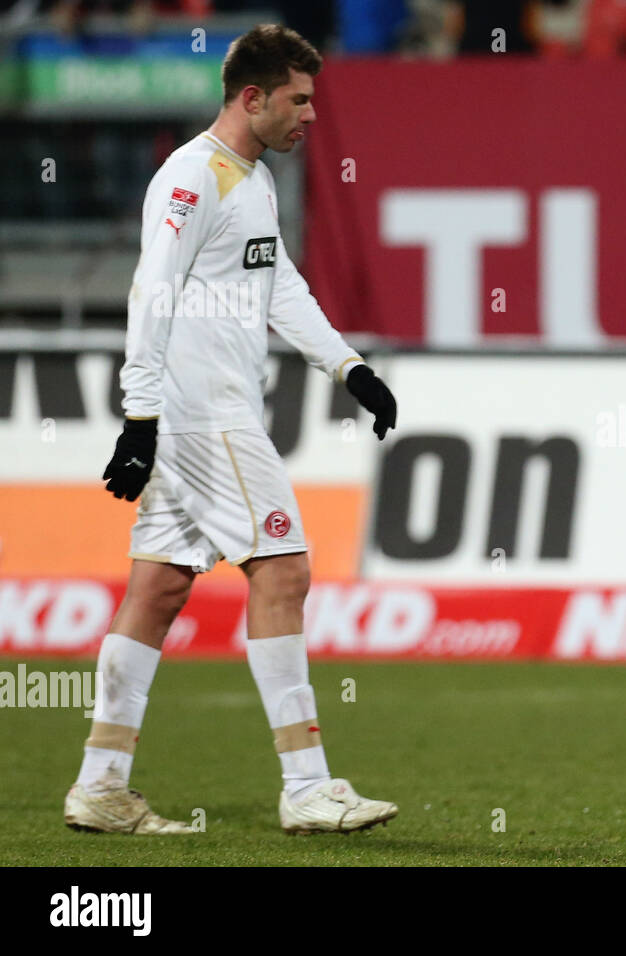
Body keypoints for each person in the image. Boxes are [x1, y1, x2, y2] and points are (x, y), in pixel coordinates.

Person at [65, 24, 400, 835]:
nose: (311, 116)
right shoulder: (192, 177)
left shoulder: (249, 180)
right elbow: (153, 290)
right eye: (299, 99)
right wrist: (137, 416)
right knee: (283, 570)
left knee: (157, 590)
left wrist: (348, 367)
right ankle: (308, 785)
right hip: (203, 417)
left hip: (201, 417)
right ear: (252, 97)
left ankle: (102, 783)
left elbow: (277, 281)